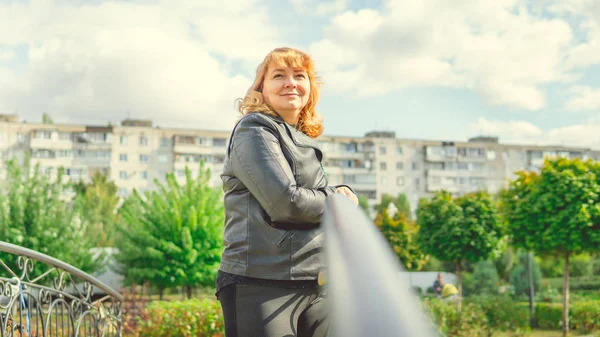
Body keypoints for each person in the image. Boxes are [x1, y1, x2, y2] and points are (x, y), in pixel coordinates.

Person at [216, 47, 359, 337]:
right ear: (261, 88)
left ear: (310, 87)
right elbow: (286, 203)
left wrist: (339, 194)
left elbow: (316, 203)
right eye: (279, 75)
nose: (290, 82)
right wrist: (336, 197)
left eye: (299, 75)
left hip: (315, 282)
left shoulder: (300, 137)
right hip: (260, 284)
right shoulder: (253, 129)